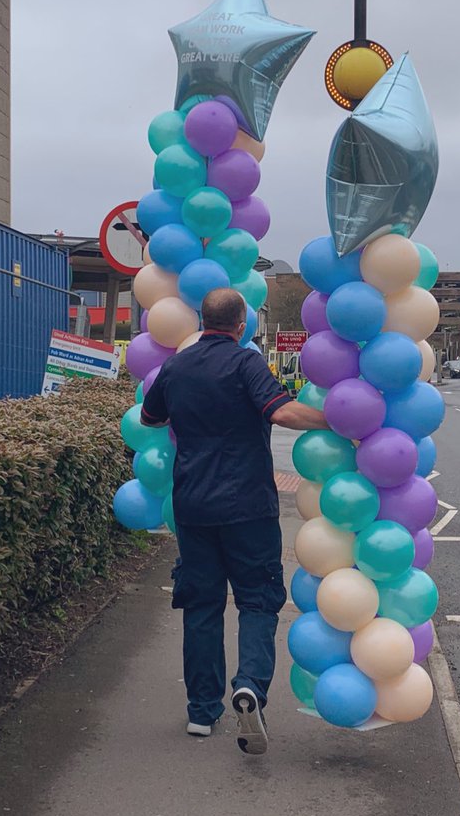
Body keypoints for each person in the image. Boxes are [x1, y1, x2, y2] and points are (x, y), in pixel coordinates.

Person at [140, 288, 328, 755]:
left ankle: (202, 712)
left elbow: (148, 419)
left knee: (201, 605)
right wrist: (338, 422)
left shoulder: (175, 367)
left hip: (193, 506)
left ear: (202, 321)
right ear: (242, 325)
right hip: (248, 505)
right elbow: (282, 411)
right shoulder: (246, 364)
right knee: (258, 600)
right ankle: (250, 689)